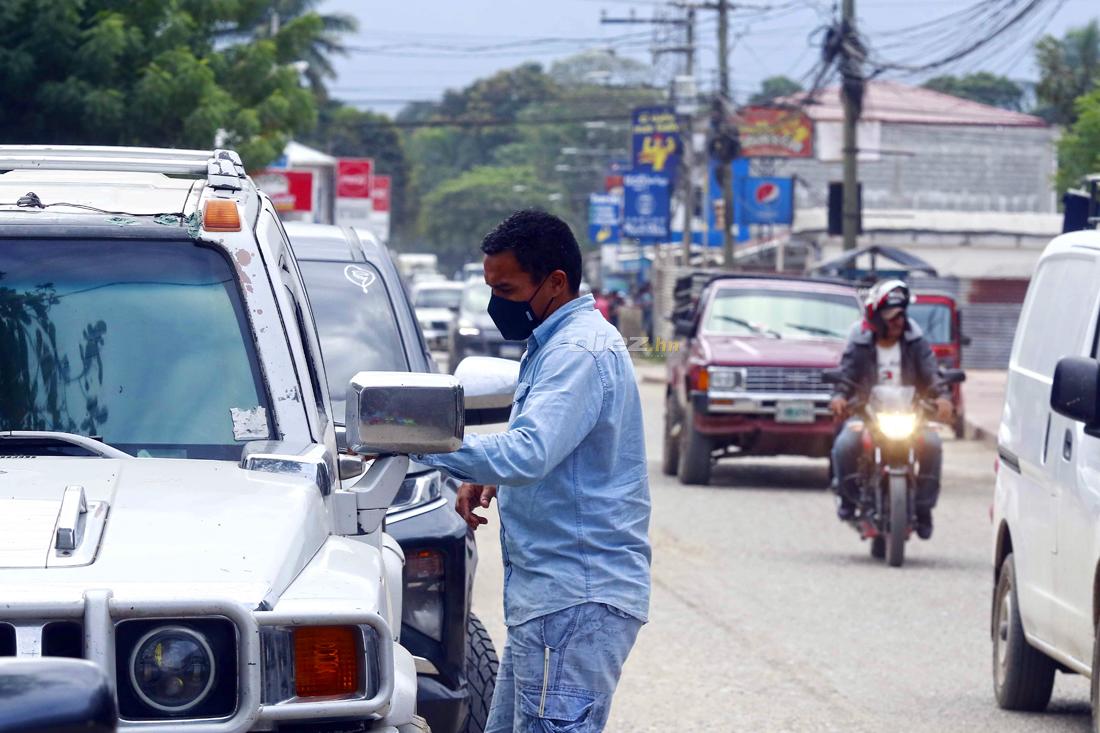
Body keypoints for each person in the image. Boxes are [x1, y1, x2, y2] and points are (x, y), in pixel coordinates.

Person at [414, 209, 652, 733]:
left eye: (509, 288)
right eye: (491, 287)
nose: (499, 302)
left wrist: (417, 445)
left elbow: (529, 451)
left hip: (573, 600)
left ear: (556, 282)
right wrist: (489, 473)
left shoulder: (576, 352)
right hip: (547, 602)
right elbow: (552, 446)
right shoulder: (552, 344)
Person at [829, 279, 953, 539]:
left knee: (932, 445)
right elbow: (847, 374)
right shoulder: (860, 342)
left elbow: (931, 372)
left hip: (910, 414)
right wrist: (840, 397)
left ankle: (923, 507)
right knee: (844, 445)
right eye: (891, 317)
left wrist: (941, 397)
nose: (897, 322)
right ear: (876, 319)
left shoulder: (915, 341)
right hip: (867, 414)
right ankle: (849, 500)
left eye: (900, 316)